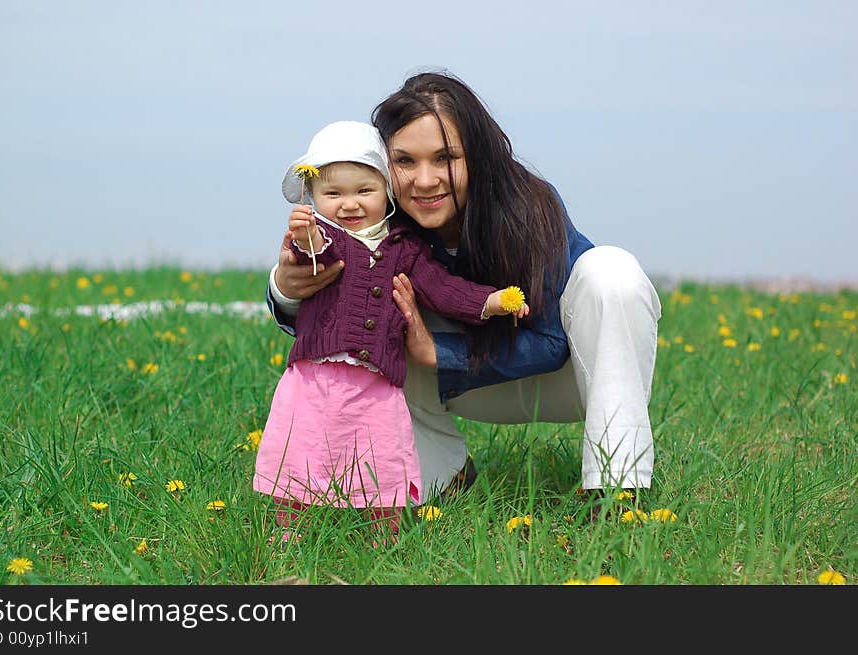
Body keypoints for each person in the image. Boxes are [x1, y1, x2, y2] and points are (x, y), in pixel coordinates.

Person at [266, 71, 662, 514]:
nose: (426, 179)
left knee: (612, 272)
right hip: (455, 387)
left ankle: (617, 492)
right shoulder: (381, 225)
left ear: (476, 154)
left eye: (445, 157)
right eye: (405, 161)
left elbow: (552, 343)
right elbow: (332, 311)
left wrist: (440, 351)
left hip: (569, 378)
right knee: (379, 331)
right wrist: (285, 287)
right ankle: (448, 473)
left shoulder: (529, 206)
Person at [253, 120, 529, 544]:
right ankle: (289, 531)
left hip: (378, 384)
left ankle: (383, 535)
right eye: (333, 194)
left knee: (380, 456)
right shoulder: (321, 236)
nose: (349, 205)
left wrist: (490, 302)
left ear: (387, 192)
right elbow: (309, 253)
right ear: (312, 197)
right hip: (315, 379)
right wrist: (305, 235)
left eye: (364, 191)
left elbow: (443, 289)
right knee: (305, 450)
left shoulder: (404, 248)